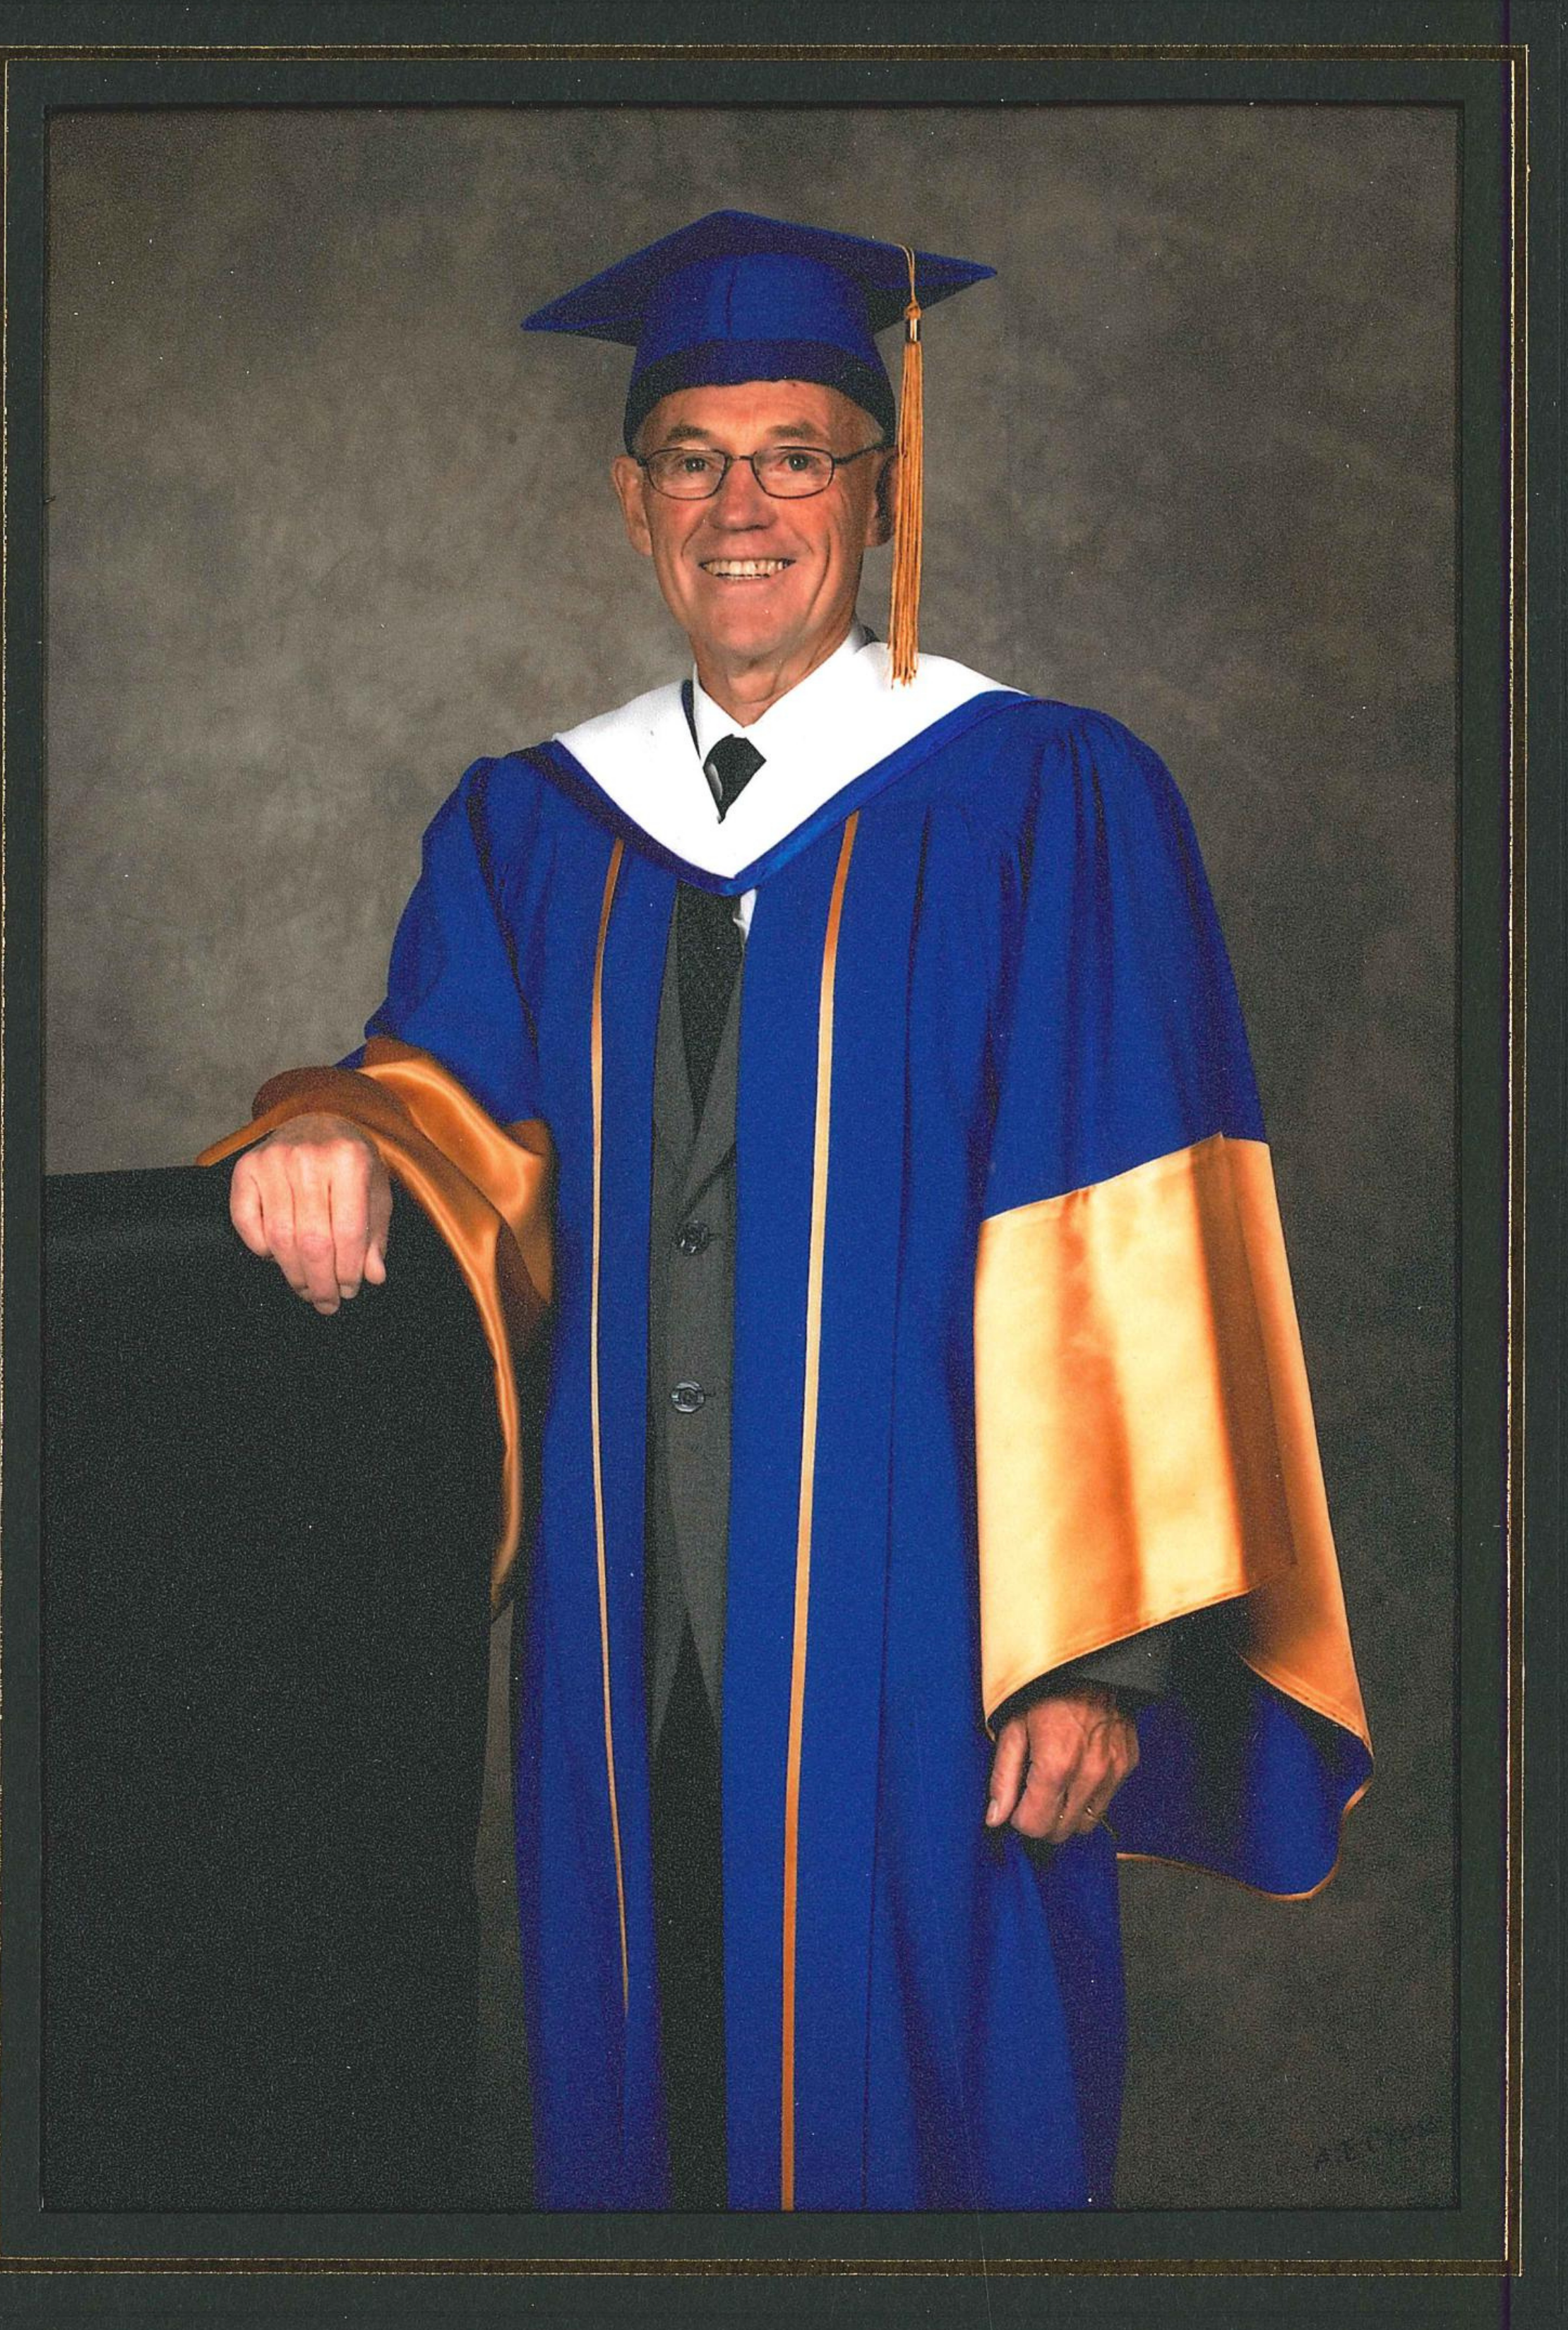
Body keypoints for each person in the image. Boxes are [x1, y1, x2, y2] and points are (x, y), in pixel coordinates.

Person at [202, 211, 1372, 2214]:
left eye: (798, 453)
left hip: (946, 1650)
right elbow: (442, 1110)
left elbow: (1141, 1242)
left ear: (879, 486)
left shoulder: (1049, 800)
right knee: (650, 2128)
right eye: (694, 457)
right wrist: (326, 1132)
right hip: (623, 1643)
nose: (742, 502)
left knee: (944, 2127)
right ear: (630, 498)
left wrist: (1103, 1654)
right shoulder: (530, 826)